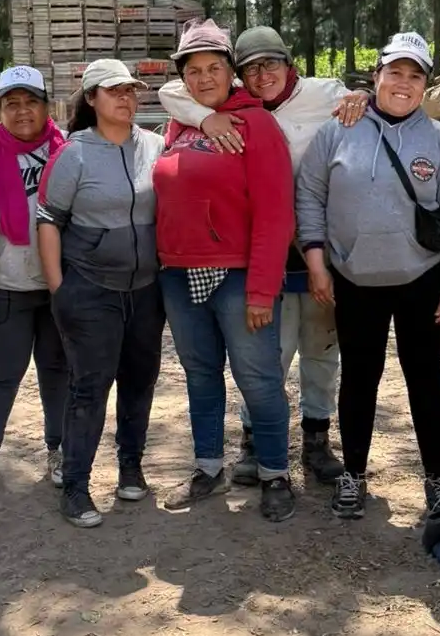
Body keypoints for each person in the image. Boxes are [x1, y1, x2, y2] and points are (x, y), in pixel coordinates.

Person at [157, 26, 369, 485]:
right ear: (242, 75)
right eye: (252, 67)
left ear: (290, 64)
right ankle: (253, 445)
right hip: (261, 254)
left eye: (270, 63)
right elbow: (171, 88)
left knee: (319, 350)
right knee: (269, 358)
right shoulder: (206, 111)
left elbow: (360, 101)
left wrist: (364, 94)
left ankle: (315, 438)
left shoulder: (318, 95)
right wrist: (204, 117)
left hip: (316, 247)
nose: (262, 74)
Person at [295, 32, 440, 521]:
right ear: (376, 76)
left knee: (425, 379)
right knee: (359, 378)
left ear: (425, 85)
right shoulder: (338, 130)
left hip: (422, 279)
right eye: (394, 72)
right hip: (355, 280)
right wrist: (318, 264)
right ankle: (354, 474)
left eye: (415, 74)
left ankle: (436, 478)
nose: (403, 83)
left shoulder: (439, 141)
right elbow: (309, 197)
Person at [153, 19, 298, 522]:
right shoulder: (177, 124)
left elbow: (276, 211)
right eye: (194, 70)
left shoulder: (254, 123)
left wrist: (262, 289)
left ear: (231, 73)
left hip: (237, 277)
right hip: (178, 273)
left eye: (215, 67)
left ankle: (275, 473)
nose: (205, 77)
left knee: (258, 379)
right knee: (200, 375)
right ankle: (208, 467)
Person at [36, 60, 167, 528]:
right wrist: (59, 288)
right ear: (91, 99)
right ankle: (75, 486)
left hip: (146, 289)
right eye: (114, 92)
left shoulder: (154, 144)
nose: (126, 99)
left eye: (131, 91)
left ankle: (130, 467)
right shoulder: (75, 153)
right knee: (90, 388)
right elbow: (48, 220)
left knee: (140, 380)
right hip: (91, 289)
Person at [0, 66, 70, 494]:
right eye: (12, 103)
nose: (22, 111)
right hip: (6, 285)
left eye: (31, 102)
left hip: (59, 284)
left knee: (58, 370)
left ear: (46, 106)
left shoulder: (68, 150)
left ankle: (59, 448)